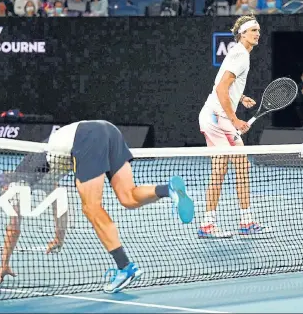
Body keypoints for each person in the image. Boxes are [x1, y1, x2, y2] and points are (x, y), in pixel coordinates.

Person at [45, 120, 194, 293]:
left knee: (91, 207)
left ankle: (124, 267)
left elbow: (54, 198)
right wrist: (58, 238)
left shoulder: (36, 164)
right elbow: (57, 198)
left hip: (86, 136)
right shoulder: (53, 158)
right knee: (128, 197)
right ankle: (168, 190)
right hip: (110, 130)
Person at [198, 15, 265, 238]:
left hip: (221, 117)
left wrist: (241, 96)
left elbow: (223, 84)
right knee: (219, 170)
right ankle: (207, 224)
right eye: (253, 30)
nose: (257, 33)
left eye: (258, 30)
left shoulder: (239, 53)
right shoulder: (240, 54)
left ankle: (246, 221)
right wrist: (235, 120)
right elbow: (220, 91)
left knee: (242, 167)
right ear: (242, 33)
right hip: (216, 118)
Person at [0, 140, 71, 285]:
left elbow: (13, 229)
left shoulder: (17, 186)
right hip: (62, 148)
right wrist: (59, 238)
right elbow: (59, 204)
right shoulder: (35, 175)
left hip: (64, 154)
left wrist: (4, 263)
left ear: (5, 189)